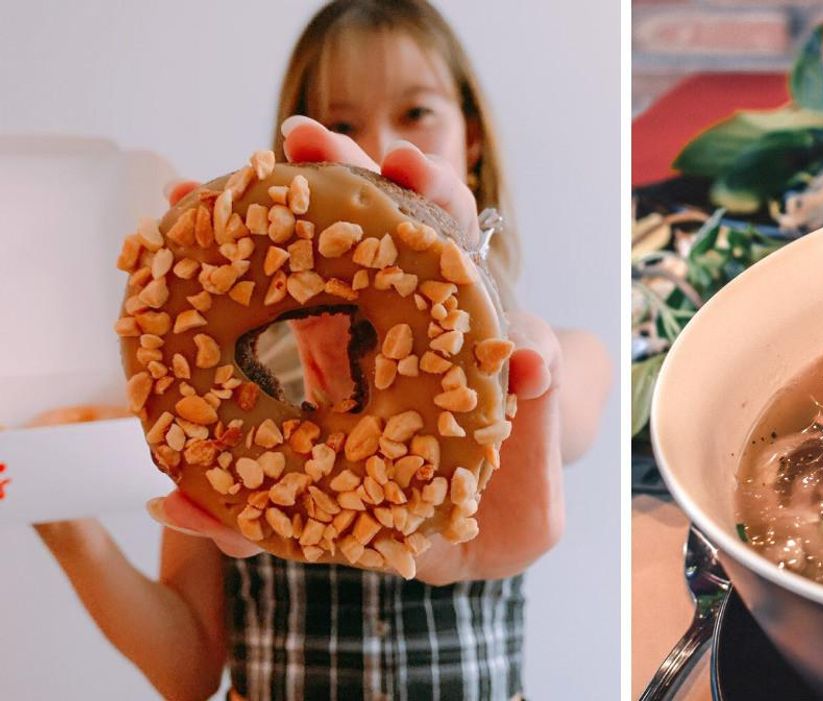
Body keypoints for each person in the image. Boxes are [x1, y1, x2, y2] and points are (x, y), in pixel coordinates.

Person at [34, 2, 611, 699]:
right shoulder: (206, 413)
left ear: (474, 134)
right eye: (340, 124)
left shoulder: (550, 355)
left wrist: (517, 370)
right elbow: (185, 670)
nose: (378, 143)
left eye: (417, 111)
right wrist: (64, 520)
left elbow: (569, 413)